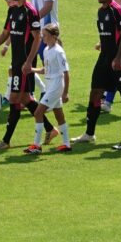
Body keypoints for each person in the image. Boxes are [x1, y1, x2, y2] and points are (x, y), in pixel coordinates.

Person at [0, 0, 44, 150]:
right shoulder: (12, 11)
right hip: (16, 61)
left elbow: (37, 38)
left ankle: (6, 141)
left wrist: (29, 62)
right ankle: (51, 129)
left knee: (14, 98)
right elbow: (5, 33)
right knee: (25, 99)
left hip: (24, 64)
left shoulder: (30, 12)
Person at [79, 0, 121, 143]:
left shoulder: (118, 11)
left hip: (118, 59)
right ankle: (89, 134)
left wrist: (118, 59)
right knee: (95, 93)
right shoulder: (101, 11)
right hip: (104, 59)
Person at [26, 25, 72, 154]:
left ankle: (36, 145)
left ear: (53, 36)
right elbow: (45, 69)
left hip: (57, 85)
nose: (42, 37)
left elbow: (66, 73)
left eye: (44, 35)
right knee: (59, 114)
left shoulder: (59, 52)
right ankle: (66, 144)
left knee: (38, 113)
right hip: (50, 84)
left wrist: (65, 92)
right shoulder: (46, 50)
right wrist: (31, 69)